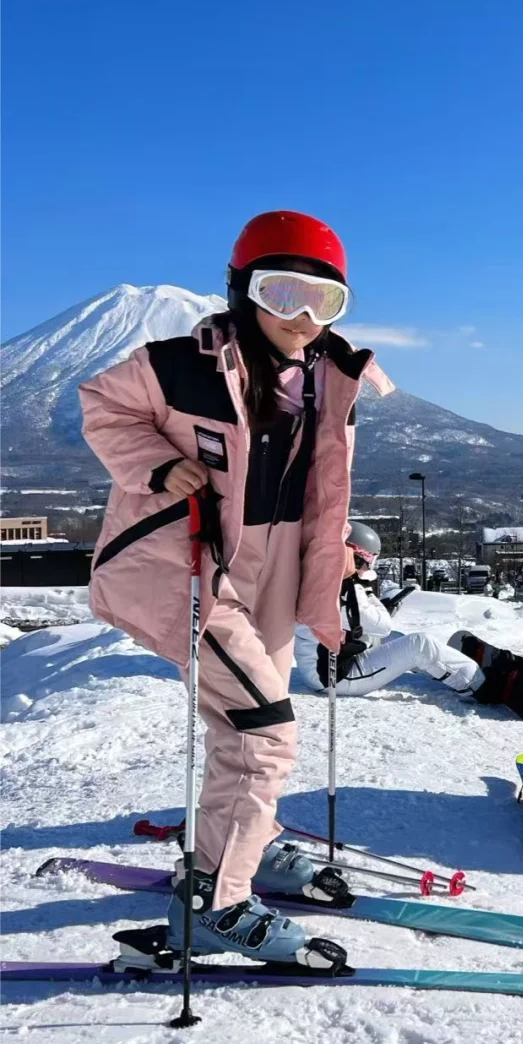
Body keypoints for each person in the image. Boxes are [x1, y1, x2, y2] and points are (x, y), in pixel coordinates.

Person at [79, 211, 393, 968]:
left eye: (324, 301)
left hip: (275, 569)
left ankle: (242, 847)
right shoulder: (182, 364)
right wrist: (156, 466)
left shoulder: (329, 376)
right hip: (193, 570)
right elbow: (102, 402)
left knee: (243, 727)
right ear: (242, 291)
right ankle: (217, 901)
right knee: (264, 729)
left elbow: (312, 488)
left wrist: (334, 554)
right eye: (282, 293)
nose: (303, 317)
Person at [294, 522, 523, 711]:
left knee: (397, 638)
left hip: (327, 664)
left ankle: (441, 667)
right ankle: (479, 685)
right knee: (419, 644)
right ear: (354, 558)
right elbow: (381, 624)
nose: (368, 569)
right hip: (335, 677)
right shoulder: (343, 590)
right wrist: (367, 592)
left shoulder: (327, 581)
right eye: (368, 561)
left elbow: (370, 625)